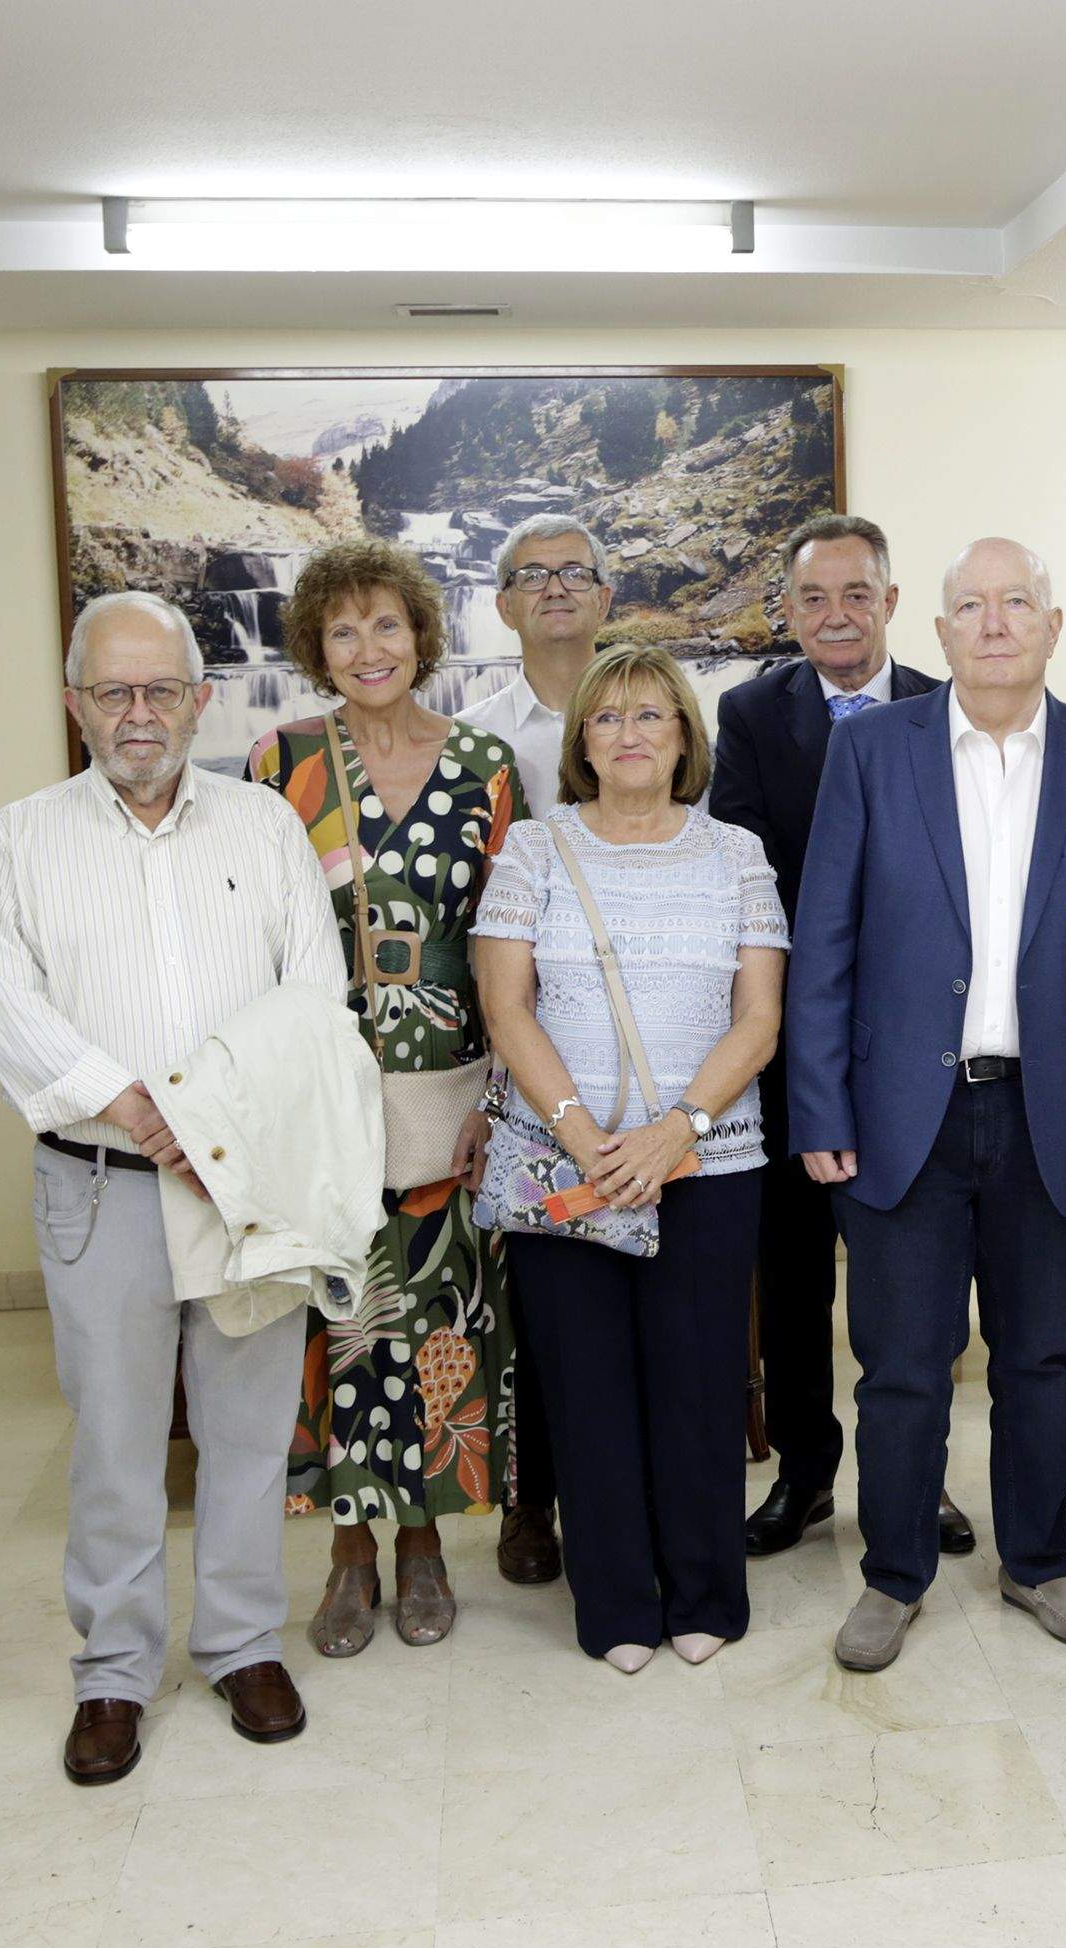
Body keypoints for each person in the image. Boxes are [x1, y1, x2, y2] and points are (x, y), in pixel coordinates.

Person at [0, 590, 342, 1783]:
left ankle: (239, 1643)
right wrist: (137, 1106)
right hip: (100, 1179)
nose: (140, 713)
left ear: (199, 699)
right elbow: (3, 1005)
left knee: (246, 1425)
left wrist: (215, 1122)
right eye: (115, 691)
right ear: (75, 702)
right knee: (118, 1438)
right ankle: (115, 1671)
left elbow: (312, 990)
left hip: (247, 1183)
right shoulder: (17, 840)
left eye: (162, 689)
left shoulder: (265, 825)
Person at [788, 538, 1066, 1672]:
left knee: (1040, 1360)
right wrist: (820, 1108)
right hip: (906, 1112)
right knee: (901, 1364)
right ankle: (892, 1574)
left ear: (1052, 625)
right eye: (970, 607)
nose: (994, 623)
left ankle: (1039, 1562)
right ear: (937, 631)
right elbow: (826, 946)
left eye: (1016, 604)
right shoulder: (871, 753)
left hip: (1052, 1113)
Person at [471, 643, 785, 1671]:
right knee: (587, 1387)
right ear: (582, 744)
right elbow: (506, 1002)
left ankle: (703, 1592)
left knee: (699, 1382)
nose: (632, 732)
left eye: (653, 714)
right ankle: (613, 1601)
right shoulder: (533, 850)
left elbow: (759, 1017)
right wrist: (580, 1133)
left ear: (686, 736)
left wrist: (674, 1130)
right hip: (565, 1162)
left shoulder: (735, 852)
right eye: (607, 718)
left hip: (707, 1159)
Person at [248, 538, 521, 1656]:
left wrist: (500, 1094)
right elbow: (256, 940)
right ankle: (348, 1553)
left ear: (422, 633)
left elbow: (513, 942)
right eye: (344, 629)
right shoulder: (280, 764)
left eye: (388, 625)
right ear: (316, 645)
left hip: (452, 1090)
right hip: (324, 1096)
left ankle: (425, 1545)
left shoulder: (486, 763)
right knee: (343, 1324)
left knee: (443, 1319)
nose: (369, 648)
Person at [709, 514, 958, 1561]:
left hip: (922, 1045)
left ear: (893, 603)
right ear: (790, 614)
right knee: (797, 1271)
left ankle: (919, 1477)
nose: (836, 615)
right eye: (813, 599)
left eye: (857, 593)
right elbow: (744, 868)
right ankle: (808, 1474)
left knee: (915, 1283)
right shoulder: (751, 713)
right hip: (793, 1039)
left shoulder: (948, 713)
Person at [452, 512, 608, 1584]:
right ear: (502, 602)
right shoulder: (471, 740)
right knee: (529, 1279)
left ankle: (624, 1486)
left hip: (638, 1048)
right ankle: (530, 1497)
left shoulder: (656, 713)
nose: (554, 589)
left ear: (607, 594)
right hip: (514, 1039)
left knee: (620, 1277)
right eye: (530, 575)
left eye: (575, 573)